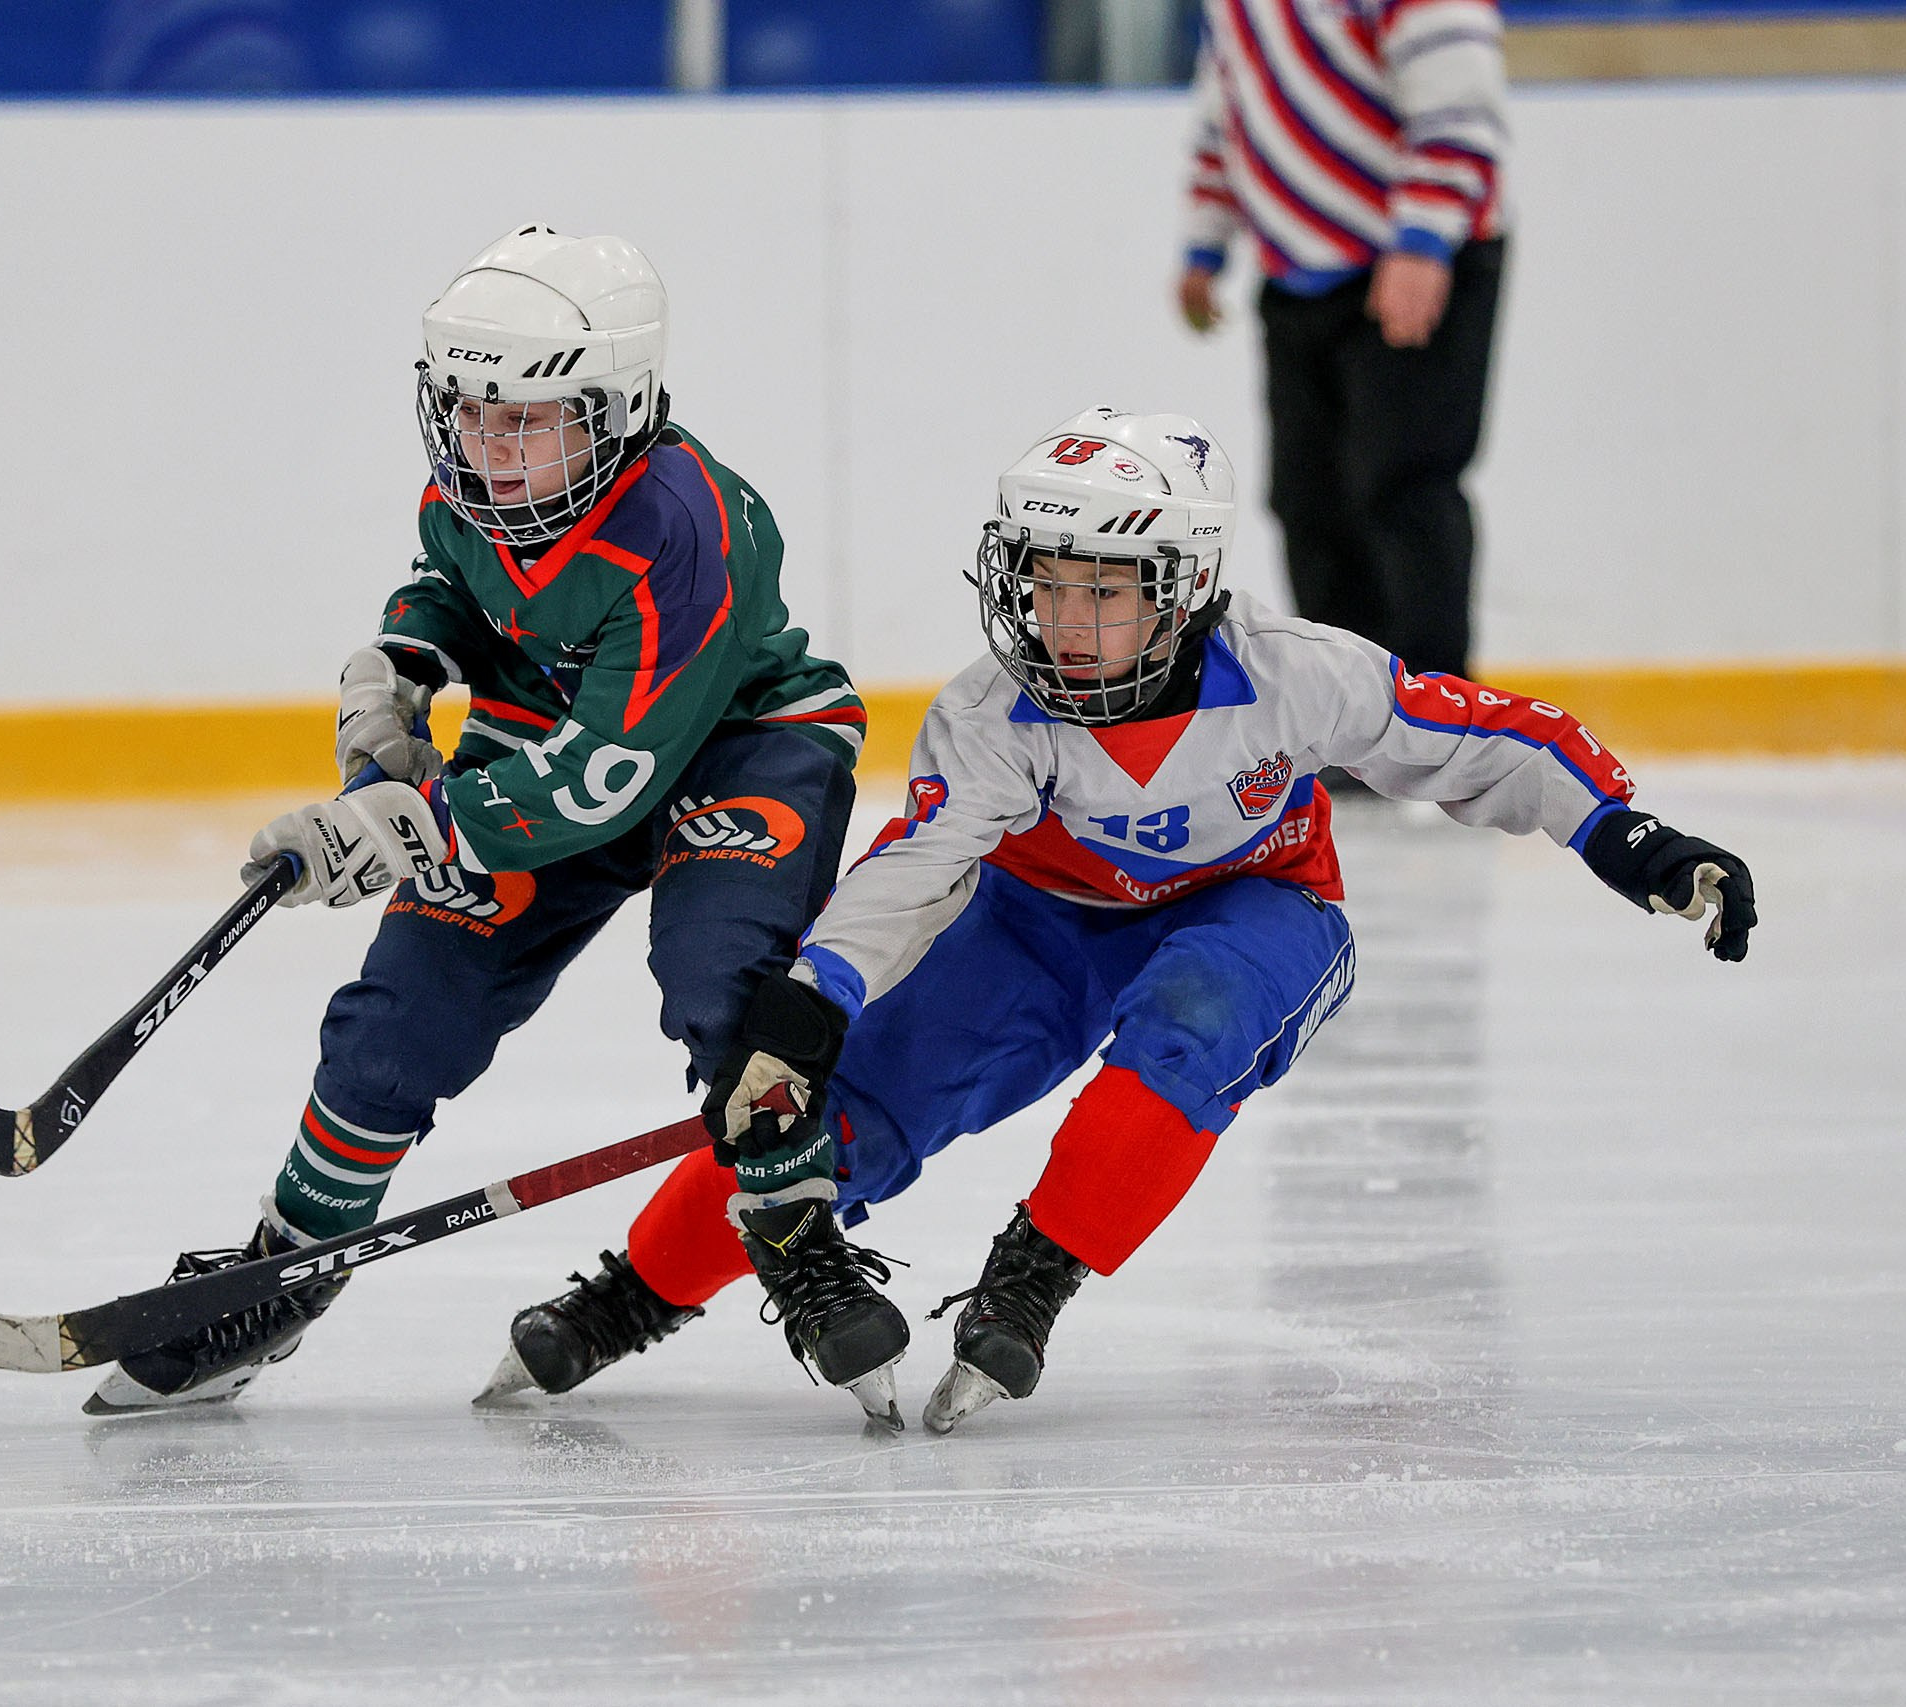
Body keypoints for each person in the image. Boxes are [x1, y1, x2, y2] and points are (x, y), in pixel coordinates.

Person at [485, 407, 1755, 1433]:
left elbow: (1482, 739)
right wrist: (815, 997)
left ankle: (1032, 1283)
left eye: (1108, 593)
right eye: (1046, 588)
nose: (1068, 626)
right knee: (851, 1109)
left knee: (1189, 1026)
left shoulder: (1293, 671)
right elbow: (917, 860)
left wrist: (1629, 837)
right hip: (1042, 922)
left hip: (1259, 909)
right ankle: (626, 1299)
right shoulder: (990, 714)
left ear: (1185, 587)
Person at [83, 225, 897, 1418]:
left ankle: (791, 1224)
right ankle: (288, 1268)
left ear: (615, 408)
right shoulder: (472, 488)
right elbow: (456, 588)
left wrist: (403, 825)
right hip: (549, 741)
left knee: (724, 989)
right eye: (467, 409)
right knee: (398, 1019)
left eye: (526, 419)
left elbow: (601, 781)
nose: (487, 445)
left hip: (734, 746)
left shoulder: (686, 527)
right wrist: (396, 670)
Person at [1176, 0, 1509, 681]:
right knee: (1308, 499)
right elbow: (1231, 94)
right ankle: (1346, 715)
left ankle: (1433, 706)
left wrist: (1422, 240)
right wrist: (1206, 239)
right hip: (1298, 272)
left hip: (1414, 259)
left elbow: (1460, 102)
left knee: (1400, 485)